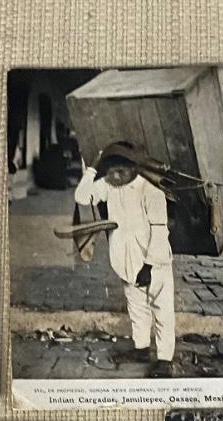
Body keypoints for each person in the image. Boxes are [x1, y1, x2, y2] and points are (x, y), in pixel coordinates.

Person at [74, 141, 175, 376]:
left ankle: (165, 360)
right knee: (136, 306)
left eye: (121, 171)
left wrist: (149, 266)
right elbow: (82, 197)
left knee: (162, 309)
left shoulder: (151, 191)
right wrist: (93, 167)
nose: (116, 177)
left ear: (134, 168)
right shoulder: (109, 185)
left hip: (154, 263)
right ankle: (141, 349)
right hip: (125, 259)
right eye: (111, 172)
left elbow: (160, 231)